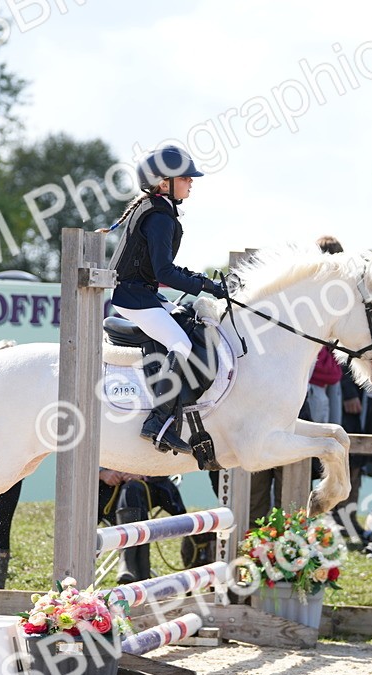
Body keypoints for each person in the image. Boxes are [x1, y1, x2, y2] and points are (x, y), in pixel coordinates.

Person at [107, 145, 227, 454]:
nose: (191, 182)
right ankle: (158, 422)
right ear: (164, 183)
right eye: (186, 177)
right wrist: (206, 285)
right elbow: (165, 271)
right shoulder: (160, 216)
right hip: (133, 297)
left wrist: (204, 283)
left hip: (142, 292)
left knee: (187, 325)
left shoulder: (159, 209)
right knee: (181, 344)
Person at [99, 468, 187, 582]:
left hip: (149, 484)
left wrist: (143, 473)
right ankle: (141, 571)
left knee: (131, 490)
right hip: (107, 490)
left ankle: (127, 562)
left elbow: (168, 461)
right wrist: (101, 473)